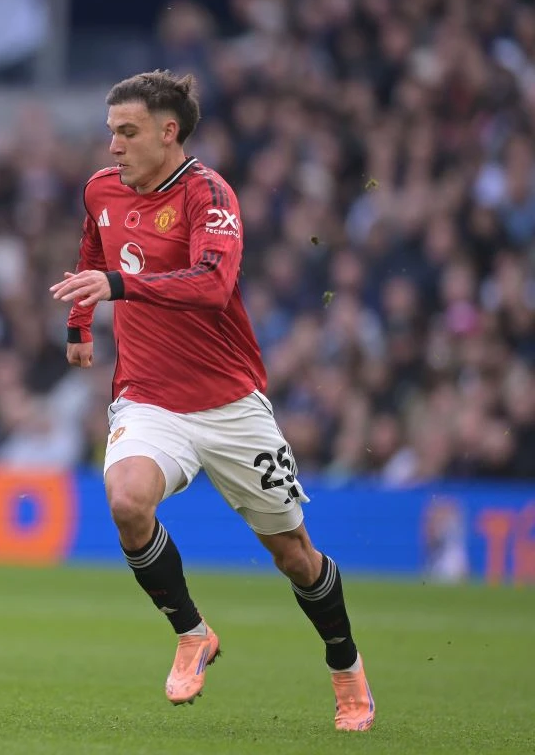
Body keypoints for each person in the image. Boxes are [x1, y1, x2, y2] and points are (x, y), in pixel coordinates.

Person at [50, 70, 375, 732]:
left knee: (295, 557)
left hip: (231, 406)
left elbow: (211, 283)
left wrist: (116, 285)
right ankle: (192, 632)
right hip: (149, 399)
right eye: (111, 131)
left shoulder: (207, 193)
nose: (113, 146)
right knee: (125, 500)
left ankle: (345, 666)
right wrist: (80, 325)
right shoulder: (101, 190)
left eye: (128, 132)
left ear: (169, 132)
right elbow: (95, 237)